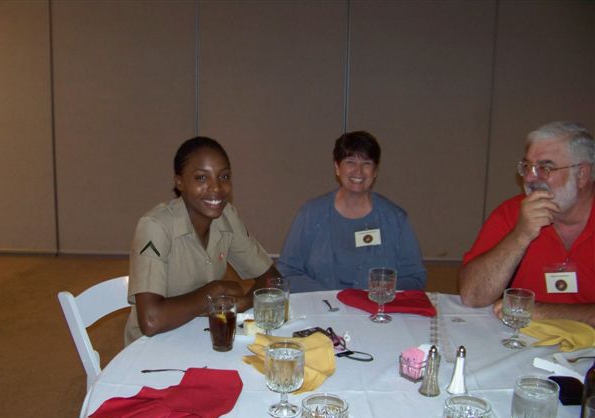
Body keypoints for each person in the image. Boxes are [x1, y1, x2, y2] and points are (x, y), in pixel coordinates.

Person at [124, 136, 279, 345]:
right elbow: (151, 320)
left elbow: (271, 279)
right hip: (151, 348)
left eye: (223, 177)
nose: (216, 188)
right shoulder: (155, 227)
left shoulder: (227, 217)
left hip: (200, 336)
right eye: (201, 178)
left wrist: (242, 303)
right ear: (179, 182)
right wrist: (214, 292)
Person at [459, 121, 595, 326]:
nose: (531, 177)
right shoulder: (512, 212)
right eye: (527, 166)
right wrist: (520, 235)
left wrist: (541, 312)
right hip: (524, 346)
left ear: (582, 174)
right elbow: (473, 296)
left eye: (545, 167)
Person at [277, 131, 426, 293]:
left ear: (375, 171)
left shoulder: (395, 219)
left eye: (367, 163)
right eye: (350, 162)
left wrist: (378, 293)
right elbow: (287, 271)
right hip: (321, 312)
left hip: (375, 313)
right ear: (337, 168)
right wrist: (331, 298)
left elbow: (415, 278)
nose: (358, 171)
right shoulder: (311, 214)